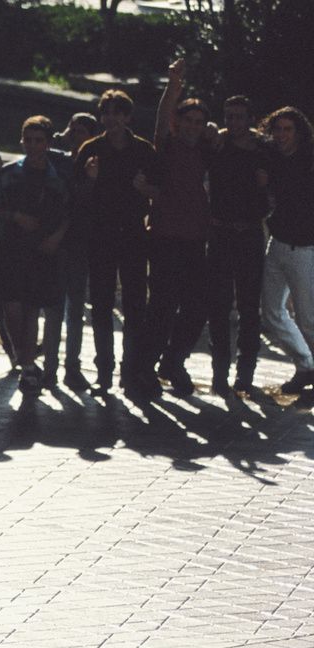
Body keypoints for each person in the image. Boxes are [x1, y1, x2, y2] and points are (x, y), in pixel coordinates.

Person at [74, 88, 157, 395]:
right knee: (101, 305)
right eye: (106, 113)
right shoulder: (91, 149)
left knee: (135, 305)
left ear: (127, 117)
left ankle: (131, 370)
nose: (112, 119)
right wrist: (91, 179)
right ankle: (104, 372)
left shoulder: (144, 150)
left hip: (134, 234)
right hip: (101, 235)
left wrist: (145, 188)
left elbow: (160, 193)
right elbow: (77, 196)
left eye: (118, 113)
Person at [142, 59, 211, 398]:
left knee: (199, 306)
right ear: (178, 121)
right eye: (189, 120)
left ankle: (172, 361)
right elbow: (161, 117)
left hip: (195, 239)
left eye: (200, 122)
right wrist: (173, 86)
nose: (194, 126)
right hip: (165, 236)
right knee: (162, 306)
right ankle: (145, 370)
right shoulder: (167, 144)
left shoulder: (207, 150)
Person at [0, 117, 69, 392]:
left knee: (32, 311)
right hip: (12, 249)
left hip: (43, 251)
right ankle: (24, 358)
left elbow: (69, 211)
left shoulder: (58, 176)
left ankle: (28, 369)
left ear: (48, 143)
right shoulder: (9, 173)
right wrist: (15, 216)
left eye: (40, 141)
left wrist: (56, 237)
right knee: (12, 309)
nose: (34, 146)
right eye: (29, 140)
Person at [205, 97, 267, 395]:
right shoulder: (217, 144)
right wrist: (212, 127)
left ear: (250, 118)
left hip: (249, 235)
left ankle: (245, 374)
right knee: (218, 306)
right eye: (229, 116)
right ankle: (219, 373)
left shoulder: (262, 150)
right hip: (219, 234)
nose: (234, 122)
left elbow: (275, 194)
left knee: (248, 307)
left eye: (240, 117)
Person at [41, 113, 96, 390]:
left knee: (75, 310)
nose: (75, 136)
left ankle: (71, 367)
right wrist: (61, 136)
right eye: (71, 131)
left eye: (81, 131)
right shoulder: (59, 160)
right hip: (57, 242)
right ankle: (49, 368)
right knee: (53, 307)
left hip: (80, 242)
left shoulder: (94, 163)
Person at [264, 107, 314, 397]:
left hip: (304, 249)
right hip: (277, 243)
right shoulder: (272, 157)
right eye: (278, 129)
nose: (282, 135)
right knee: (271, 313)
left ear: (299, 132)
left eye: (288, 129)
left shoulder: (309, 160)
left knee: (307, 318)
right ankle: (306, 364)